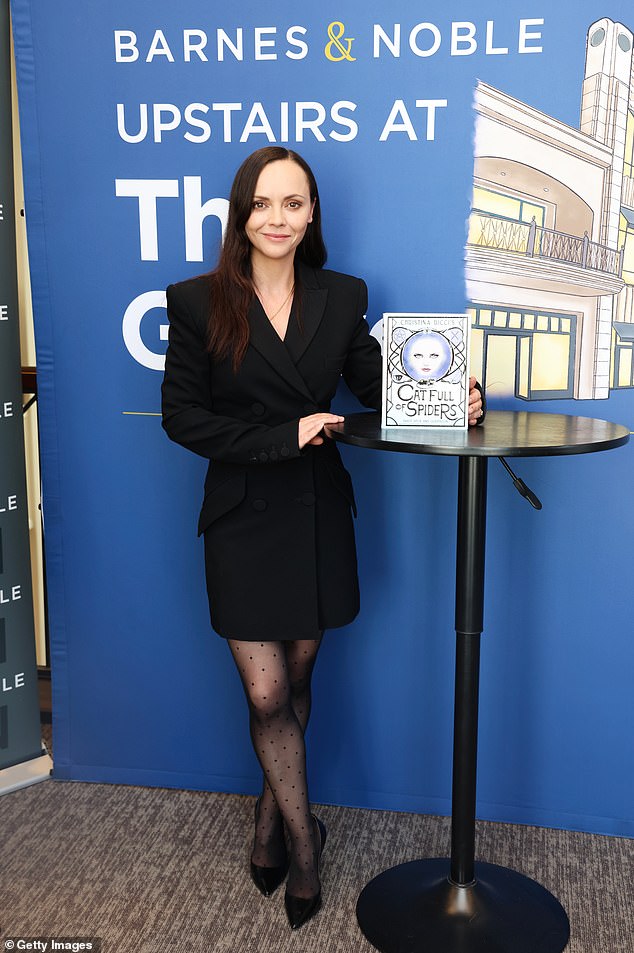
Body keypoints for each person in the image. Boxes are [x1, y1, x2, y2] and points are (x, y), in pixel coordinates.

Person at [161, 146, 484, 930]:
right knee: (267, 692)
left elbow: (378, 382)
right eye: (263, 203)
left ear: (313, 215)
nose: (278, 219)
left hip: (314, 515)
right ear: (241, 213)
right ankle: (305, 848)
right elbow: (182, 417)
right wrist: (287, 432)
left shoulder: (343, 296)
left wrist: (451, 396)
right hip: (241, 515)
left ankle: (271, 819)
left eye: (294, 204)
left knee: (298, 682)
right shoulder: (199, 301)